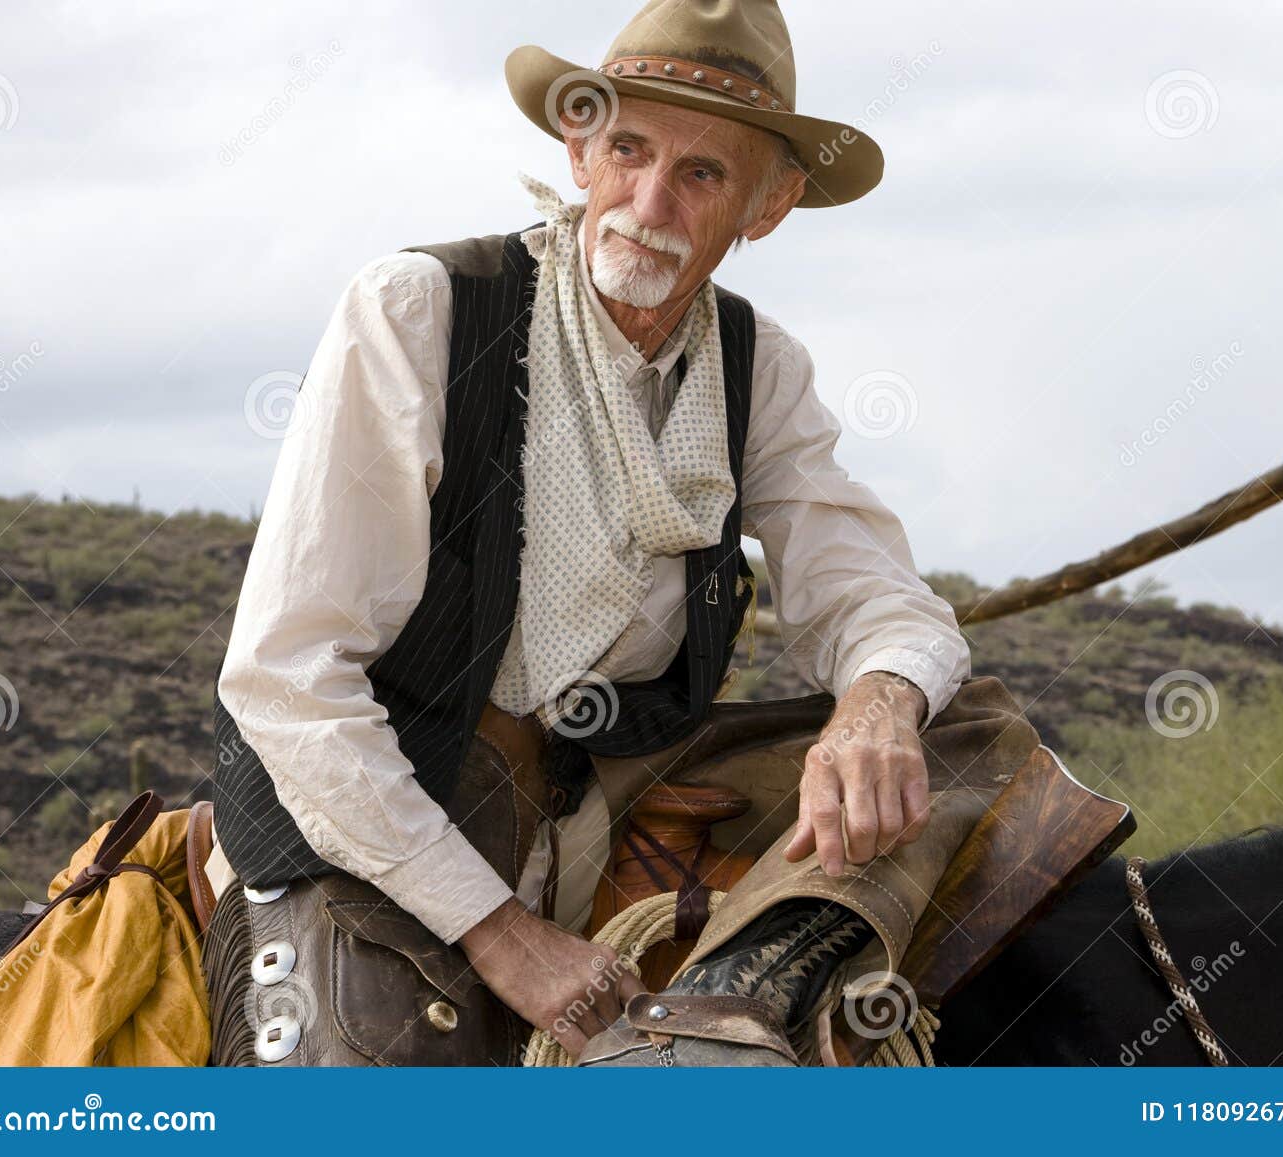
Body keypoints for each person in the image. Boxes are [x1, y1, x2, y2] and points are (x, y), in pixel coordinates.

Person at [204, 0, 1039, 1067]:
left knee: (961, 725)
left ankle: (718, 1010)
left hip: (606, 782)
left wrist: (876, 703)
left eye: (701, 175)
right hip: (393, 795)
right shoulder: (422, 309)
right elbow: (286, 677)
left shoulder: (757, 366)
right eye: (628, 150)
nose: (648, 202)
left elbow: (867, 587)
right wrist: (504, 936)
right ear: (578, 145)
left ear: (768, 206)